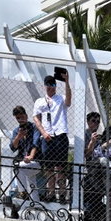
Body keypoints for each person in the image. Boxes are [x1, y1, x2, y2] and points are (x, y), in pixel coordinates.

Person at [31, 71, 72, 203]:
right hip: (47, 136)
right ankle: (50, 193)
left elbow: (69, 101)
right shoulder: (39, 101)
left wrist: (66, 82)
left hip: (60, 134)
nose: (49, 87)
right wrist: (43, 132)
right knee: (48, 167)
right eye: (47, 84)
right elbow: (36, 118)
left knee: (60, 167)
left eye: (52, 84)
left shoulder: (60, 98)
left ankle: (62, 193)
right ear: (44, 86)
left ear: (55, 86)